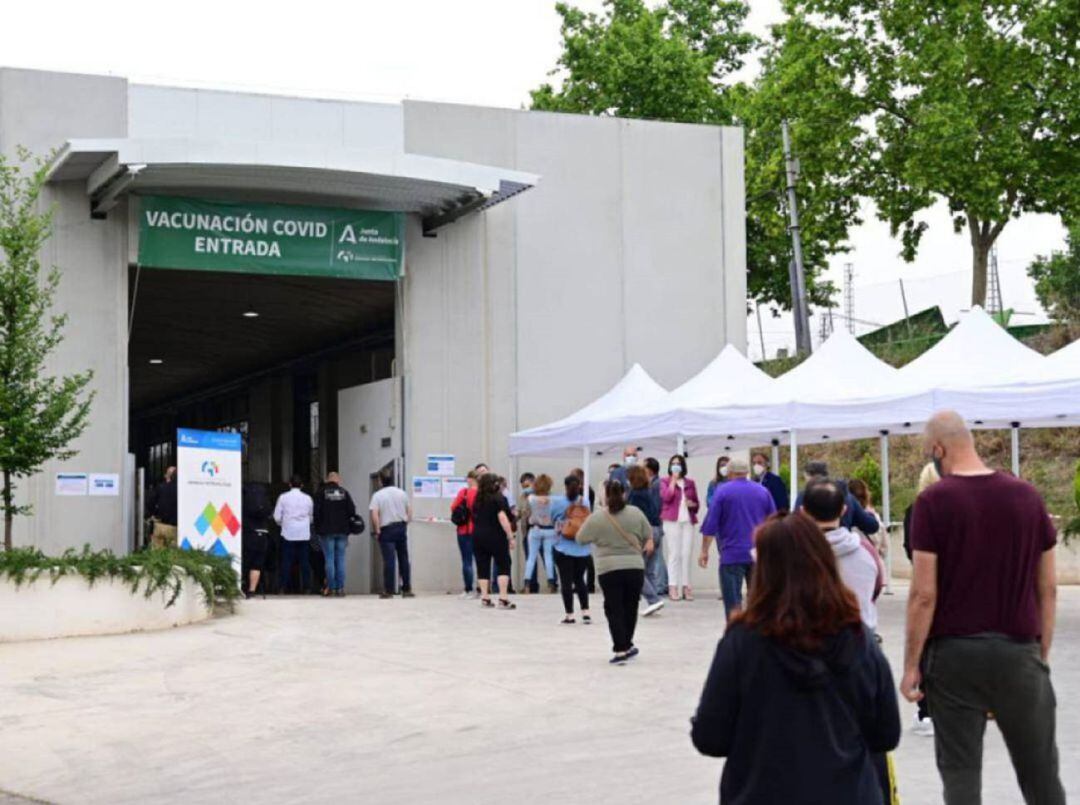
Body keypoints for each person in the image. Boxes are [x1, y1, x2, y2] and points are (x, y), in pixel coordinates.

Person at [902, 411, 1065, 805]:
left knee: (961, 777)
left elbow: (924, 593)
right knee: (1041, 774)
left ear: (939, 449)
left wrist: (911, 665)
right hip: (1018, 651)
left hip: (954, 657)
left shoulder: (933, 502)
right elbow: (1049, 587)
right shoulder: (1027, 497)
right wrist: (1038, 652)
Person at [691, 513, 900, 803]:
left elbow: (710, 737)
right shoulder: (857, 637)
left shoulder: (742, 642)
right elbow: (886, 734)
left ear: (763, 570)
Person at [577, 479, 654, 664]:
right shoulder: (635, 513)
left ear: (604, 495)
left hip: (608, 569)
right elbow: (648, 534)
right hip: (634, 567)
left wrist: (600, 538)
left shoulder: (597, 517)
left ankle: (620, 649)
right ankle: (627, 643)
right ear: (624, 493)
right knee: (630, 607)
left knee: (614, 609)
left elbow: (581, 538)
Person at [801, 478, 881, 634]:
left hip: (808, 643)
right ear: (843, 510)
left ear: (803, 511)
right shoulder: (866, 553)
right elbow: (875, 590)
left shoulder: (790, 554)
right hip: (859, 640)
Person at [699, 457, 775, 620]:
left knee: (733, 604)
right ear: (747, 472)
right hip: (758, 554)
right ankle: (758, 638)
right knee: (758, 602)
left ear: (730, 473)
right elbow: (773, 523)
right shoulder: (762, 491)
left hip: (731, 554)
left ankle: (735, 637)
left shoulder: (722, 492)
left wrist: (704, 551)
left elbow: (711, 525)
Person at [902, 462, 940, 738]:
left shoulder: (915, 511)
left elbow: (909, 549)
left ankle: (927, 712)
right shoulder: (964, 507)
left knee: (926, 648)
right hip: (959, 587)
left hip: (928, 582)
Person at [795, 461, 880, 537]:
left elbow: (794, 528)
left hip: (813, 549)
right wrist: (869, 513)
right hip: (843, 548)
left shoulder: (803, 497)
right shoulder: (847, 496)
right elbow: (872, 526)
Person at [470, 472, 517, 609]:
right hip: (496, 536)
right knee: (503, 564)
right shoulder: (499, 499)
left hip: (478, 536)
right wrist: (510, 536)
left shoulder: (477, 500)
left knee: (482, 566)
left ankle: (485, 597)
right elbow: (503, 518)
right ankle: (503, 598)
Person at [551, 474, 593, 624]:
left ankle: (570, 614)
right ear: (580, 485)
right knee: (580, 580)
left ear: (565, 485)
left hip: (563, 546)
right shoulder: (585, 501)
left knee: (566, 582)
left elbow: (553, 519)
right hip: (582, 548)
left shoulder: (557, 502)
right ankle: (586, 612)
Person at [660, 454, 700, 601]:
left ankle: (686, 587)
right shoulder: (664, 481)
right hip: (671, 521)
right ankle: (673, 587)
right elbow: (666, 498)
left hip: (687, 521)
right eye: (673, 463)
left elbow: (697, 503)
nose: (676, 466)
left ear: (683, 466)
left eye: (678, 463)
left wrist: (692, 504)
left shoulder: (690, 482)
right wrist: (673, 481)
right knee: (674, 554)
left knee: (686, 554)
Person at [627, 465, 664, 616]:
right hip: (657, 529)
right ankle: (654, 601)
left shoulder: (635, 495)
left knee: (636, 570)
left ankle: (653, 599)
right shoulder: (649, 491)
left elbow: (635, 517)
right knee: (648, 570)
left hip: (646, 531)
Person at [312, 471, 357, 597]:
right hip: (342, 531)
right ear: (338, 480)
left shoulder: (321, 493)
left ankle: (331, 588)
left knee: (329, 559)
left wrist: (318, 528)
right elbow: (352, 511)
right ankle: (340, 588)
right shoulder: (344, 492)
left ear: (327, 480)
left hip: (326, 532)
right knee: (341, 558)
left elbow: (316, 513)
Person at [370, 470, 413, 599]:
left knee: (389, 561)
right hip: (400, 527)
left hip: (386, 530)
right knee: (403, 558)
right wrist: (405, 523)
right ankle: (406, 589)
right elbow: (409, 511)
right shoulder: (402, 493)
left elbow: (375, 514)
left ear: (380, 481)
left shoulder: (377, 495)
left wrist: (377, 530)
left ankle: (388, 590)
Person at [274, 474, 314, 594]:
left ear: (289, 484)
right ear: (302, 485)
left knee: (286, 561)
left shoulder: (283, 497)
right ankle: (307, 587)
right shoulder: (308, 498)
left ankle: (282, 587)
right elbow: (311, 517)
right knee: (305, 562)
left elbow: (276, 517)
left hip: (288, 533)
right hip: (304, 534)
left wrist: (283, 524)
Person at [524, 474, 558, 594]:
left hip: (535, 529)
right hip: (550, 529)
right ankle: (551, 583)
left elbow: (526, 490)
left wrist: (533, 486)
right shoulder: (553, 499)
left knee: (531, 557)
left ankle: (527, 584)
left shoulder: (531, 498)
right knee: (549, 557)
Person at [450, 470, 480, 598]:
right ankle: (481, 589)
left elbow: (453, 507)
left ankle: (468, 589)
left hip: (464, 530)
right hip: (479, 530)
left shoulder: (464, 492)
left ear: (470, 479)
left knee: (467, 561)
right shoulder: (482, 493)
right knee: (480, 560)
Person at [241, 480, 272, 599]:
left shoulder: (245, 499)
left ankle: (243, 586)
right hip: (263, 533)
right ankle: (252, 590)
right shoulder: (265, 500)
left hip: (249, 533)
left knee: (246, 561)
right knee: (257, 564)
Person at [644, 457, 668, 593]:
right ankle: (663, 583)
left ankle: (659, 586)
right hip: (657, 523)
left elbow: (655, 506)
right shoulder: (654, 483)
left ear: (649, 470)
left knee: (655, 556)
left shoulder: (656, 484)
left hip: (655, 523)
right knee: (658, 555)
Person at [517, 472, 540, 593]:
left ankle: (553, 583)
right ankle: (532, 585)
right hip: (527, 530)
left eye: (527, 486)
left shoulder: (542, 494)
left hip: (542, 530)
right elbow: (520, 511)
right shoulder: (523, 497)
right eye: (523, 487)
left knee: (548, 558)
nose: (525, 489)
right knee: (530, 559)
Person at [146, 466, 178, 549]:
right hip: (176, 528)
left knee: (157, 555)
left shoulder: (160, 487)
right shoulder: (181, 489)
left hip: (161, 525)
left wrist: (153, 514)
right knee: (173, 556)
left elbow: (150, 502)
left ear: (167, 476)